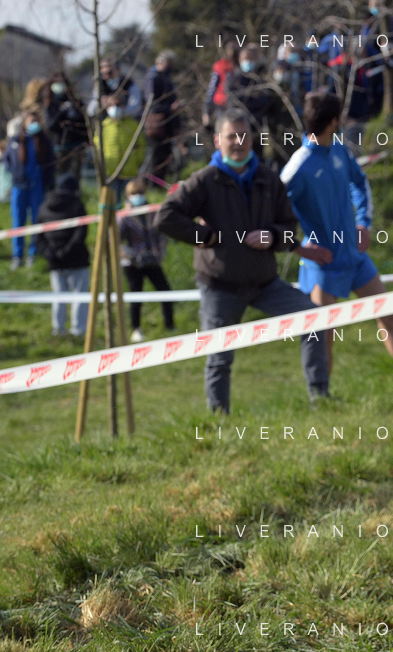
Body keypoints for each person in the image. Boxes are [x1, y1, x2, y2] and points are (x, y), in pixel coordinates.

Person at [153, 108, 334, 414]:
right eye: (230, 136)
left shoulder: (268, 178)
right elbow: (165, 218)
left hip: (265, 282)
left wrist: (272, 237)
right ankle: (218, 420)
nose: (238, 142)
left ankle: (321, 398)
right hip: (219, 284)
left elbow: (288, 227)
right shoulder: (204, 180)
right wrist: (205, 237)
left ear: (252, 138)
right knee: (219, 356)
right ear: (217, 140)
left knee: (313, 319)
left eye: (243, 135)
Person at [281, 92, 393, 395]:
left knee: (388, 315)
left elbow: (359, 182)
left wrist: (363, 223)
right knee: (322, 333)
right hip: (323, 264)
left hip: (355, 257)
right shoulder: (298, 165)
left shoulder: (338, 149)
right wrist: (298, 247)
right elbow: (273, 210)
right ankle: (319, 398)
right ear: (335, 121)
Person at [34, 173, 90, 337]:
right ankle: (78, 331)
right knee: (80, 297)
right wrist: (66, 251)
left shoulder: (44, 206)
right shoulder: (77, 204)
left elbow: (38, 236)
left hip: (55, 261)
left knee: (58, 297)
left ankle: (58, 330)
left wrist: (49, 253)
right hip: (77, 259)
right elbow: (81, 232)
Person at [119, 177, 174, 342]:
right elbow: (116, 242)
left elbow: (161, 234)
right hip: (132, 263)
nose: (138, 196)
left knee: (165, 291)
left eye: (140, 192)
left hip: (152, 260)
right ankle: (136, 328)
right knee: (136, 295)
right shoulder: (123, 216)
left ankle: (170, 325)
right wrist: (131, 255)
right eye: (134, 193)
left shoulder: (152, 212)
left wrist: (160, 252)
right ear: (128, 195)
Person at [4, 108, 55, 269]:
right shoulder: (16, 141)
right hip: (19, 187)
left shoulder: (44, 141)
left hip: (37, 186)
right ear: (24, 123)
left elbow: (51, 163)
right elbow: (7, 160)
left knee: (36, 220)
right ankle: (17, 255)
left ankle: (33, 253)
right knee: (18, 221)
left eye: (36, 121)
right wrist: (15, 174)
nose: (33, 124)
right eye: (30, 121)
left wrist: (49, 183)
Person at [91, 87, 145, 206]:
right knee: (113, 203)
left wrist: (137, 161)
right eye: (112, 105)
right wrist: (103, 164)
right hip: (110, 171)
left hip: (130, 171)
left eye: (118, 105)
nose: (115, 108)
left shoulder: (133, 124)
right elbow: (97, 147)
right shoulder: (103, 126)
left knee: (131, 203)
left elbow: (141, 145)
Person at [142, 50, 183, 181]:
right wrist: (170, 108)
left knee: (165, 156)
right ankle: (153, 184)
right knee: (156, 157)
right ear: (160, 62)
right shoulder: (153, 78)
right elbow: (152, 104)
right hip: (157, 125)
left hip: (167, 125)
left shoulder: (165, 78)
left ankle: (160, 183)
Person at [43, 73, 89, 180]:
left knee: (75, 176)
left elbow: (84, 123)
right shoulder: (50, 104)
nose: (59, 85)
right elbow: (50, 126)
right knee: (61, 176)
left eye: (62, 82)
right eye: (56, 83)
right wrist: (61, 112)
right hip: (60, 146)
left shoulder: (75, 102)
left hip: (77, 144)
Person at [204, 41, 239, 130]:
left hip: (231, 102)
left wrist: (207, 110)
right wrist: (207, 110)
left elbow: (212, 88)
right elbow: (212, 88)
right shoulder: (222, 66)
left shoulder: (239, 67)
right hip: (223, 103)